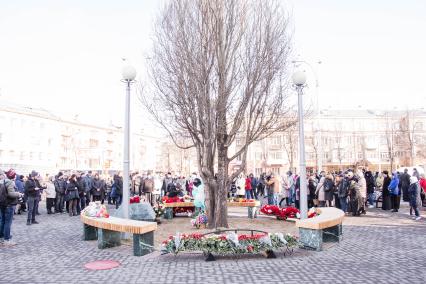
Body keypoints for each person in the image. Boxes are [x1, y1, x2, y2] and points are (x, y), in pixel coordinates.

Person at [0, 170, 23, 246]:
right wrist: (18, 194)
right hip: (8, 204)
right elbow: (11, 194)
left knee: (2, 221)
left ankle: (1, 238)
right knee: (7, 223)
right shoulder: (9, 182)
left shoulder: (1, 182)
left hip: (2, 204)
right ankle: (7, 240)